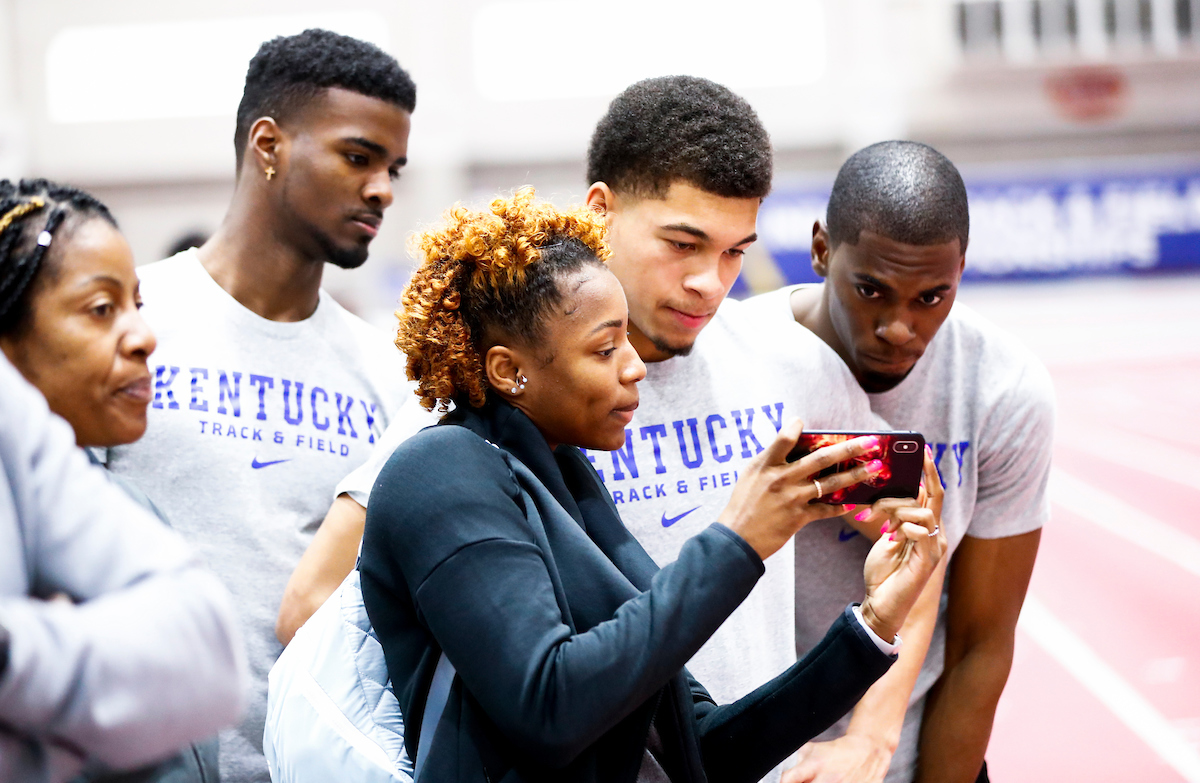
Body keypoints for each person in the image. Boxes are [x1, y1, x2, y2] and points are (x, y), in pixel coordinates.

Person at [359, 189, 946, 782]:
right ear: (511, 371)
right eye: (606, 347)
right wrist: (737, 542)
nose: (635, 365)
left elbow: (705, 752)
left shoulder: (570, 481)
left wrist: (872, 624)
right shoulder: (441, 470)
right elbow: (550, 710)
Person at [98, 29, 416, 782]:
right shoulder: (130, 320)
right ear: (267, 144)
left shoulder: (388, 373)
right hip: (133, 757)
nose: (383, 189)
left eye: (393, 168)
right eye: (358, 155)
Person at [751, 141, 1054, 783]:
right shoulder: (741, 361)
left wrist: (889, 752)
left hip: (911, 755)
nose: (898, 328)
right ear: (820, 249)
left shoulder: (1001, 390)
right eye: (871, 290)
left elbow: (980, 643)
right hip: (757, 756)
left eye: (931, 297)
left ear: (962, 271)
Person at [0, 187, 245, 781]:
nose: (144, 337)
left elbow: (205, 661)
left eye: (136, 304)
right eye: (101, 309)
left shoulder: (119, 502)